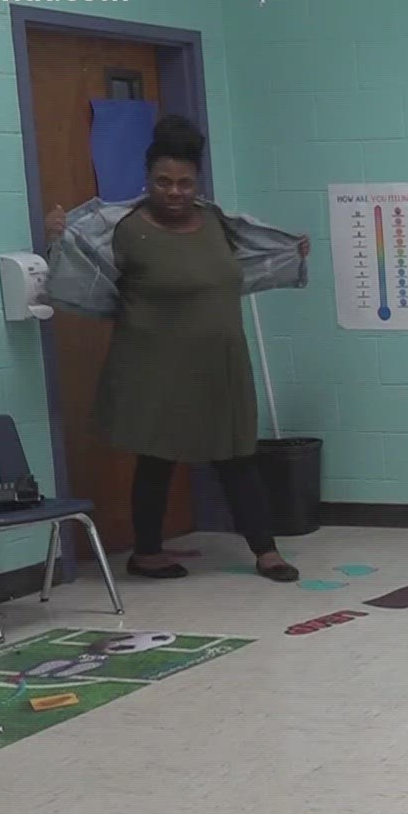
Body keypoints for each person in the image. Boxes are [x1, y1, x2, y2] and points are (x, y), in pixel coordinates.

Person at [43, 115, 308, 582]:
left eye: (185, 183)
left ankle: (266, 552)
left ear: (197, 183)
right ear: (147, 179)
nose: (174, 191)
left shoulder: (216, 223)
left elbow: (248, 266)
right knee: (158, 456)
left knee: (237, 454)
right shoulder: (123, 229)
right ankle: (147, 553)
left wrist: (286, 252)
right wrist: (58, 239)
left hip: (220, 365)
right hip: (154, 366)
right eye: (163, 181)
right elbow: (79, 278)